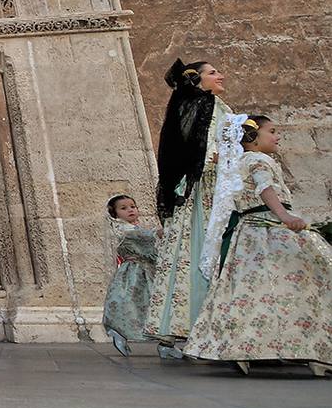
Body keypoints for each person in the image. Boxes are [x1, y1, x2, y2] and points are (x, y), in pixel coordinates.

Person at [185, 116, 331, 376]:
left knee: (250, 290)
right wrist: (285, 217)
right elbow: (266, 189)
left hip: (248, 232)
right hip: (269, 227)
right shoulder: (258, 160)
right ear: (252, 138)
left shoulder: (239, 163)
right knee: (314, 275)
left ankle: (244, 347)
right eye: (272, 132)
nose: (277, 137)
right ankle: (314, 349)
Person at [145, 59, 240, 358]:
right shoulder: (196, 104)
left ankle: (211, 330)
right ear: (197, 80)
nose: (220, 75)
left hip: (220, 188)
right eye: (212, 73)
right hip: (202, 190)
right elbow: (188, 144)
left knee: (211, 254)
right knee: (195, 251)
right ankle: (185, 329)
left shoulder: (215, 104)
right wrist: (216, 157)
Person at [101, 194, 157, 357]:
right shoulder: (124, 229)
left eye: (132, 206)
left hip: (147, 271)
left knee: (149, 304)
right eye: (123, 208)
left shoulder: (135, 227)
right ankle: (118, 330)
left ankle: (166, 342)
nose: (130, 210)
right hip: (134, 273)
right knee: (129, 302)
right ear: (115, 214)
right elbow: (147, 237)